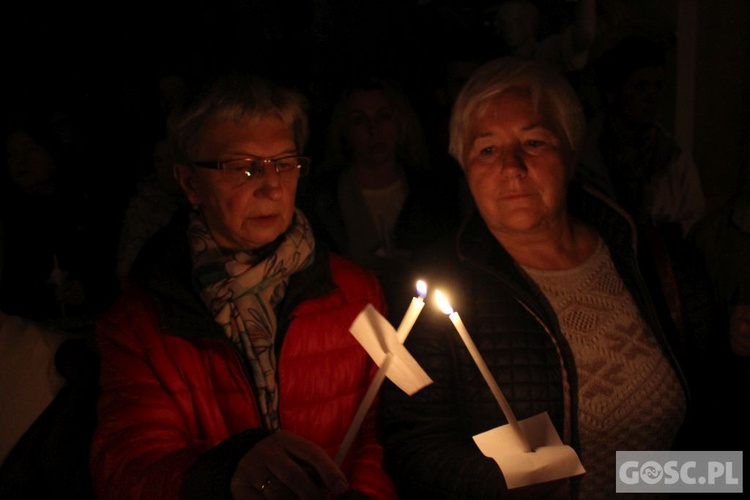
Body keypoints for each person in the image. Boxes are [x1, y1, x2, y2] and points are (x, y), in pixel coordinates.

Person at [380, 57, 724, 499]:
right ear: (464, 166)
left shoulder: (654, 262)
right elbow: (411, 446)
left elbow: (717, 421)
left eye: (534, 142)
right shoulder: (431, 292)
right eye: (487, 149)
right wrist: (499, 484)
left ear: (571, 150)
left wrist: (659, 481)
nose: (512, 166)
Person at [89, 72, 396, 500]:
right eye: (244, 167)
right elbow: (127, 468)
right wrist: (225, 469)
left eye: (285, 163)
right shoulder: (142, 324)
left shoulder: (355, 292)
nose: (272, 186)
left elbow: (381, 435)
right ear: (190, 183)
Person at [301, 76, 459, 321]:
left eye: (383, 116)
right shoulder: (323, 201)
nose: (373, 130)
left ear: (400, 122)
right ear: (344, 130)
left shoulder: (433, 193)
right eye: (359, 120)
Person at [114, 137, 187, 289]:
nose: (166, 167)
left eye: (171, 158)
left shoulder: (203, 202)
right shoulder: (144, 207)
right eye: (159, 161)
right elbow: (128, 268)